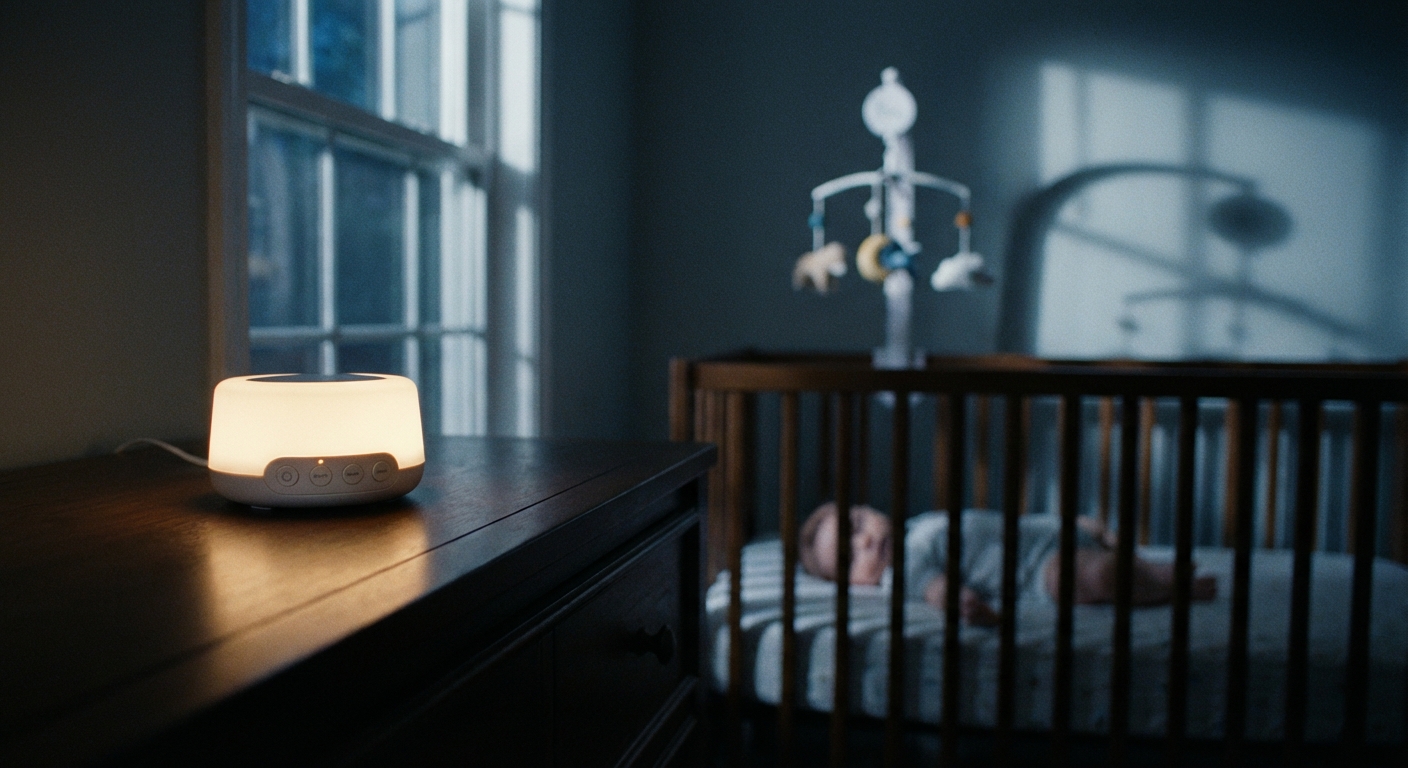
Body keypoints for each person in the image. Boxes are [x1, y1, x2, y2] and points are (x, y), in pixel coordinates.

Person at [798, 502, 1217, 626]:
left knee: (1098, 539)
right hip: (1039, 570)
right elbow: (935, 588)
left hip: (1045, 532)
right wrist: (962, 602)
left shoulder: (917, 525)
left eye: (856, 525)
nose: (866, 540)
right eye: (851, 556)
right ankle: (1166, 584)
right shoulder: (905, 570)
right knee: (1098, 575)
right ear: (856, 584)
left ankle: (1139, 562)